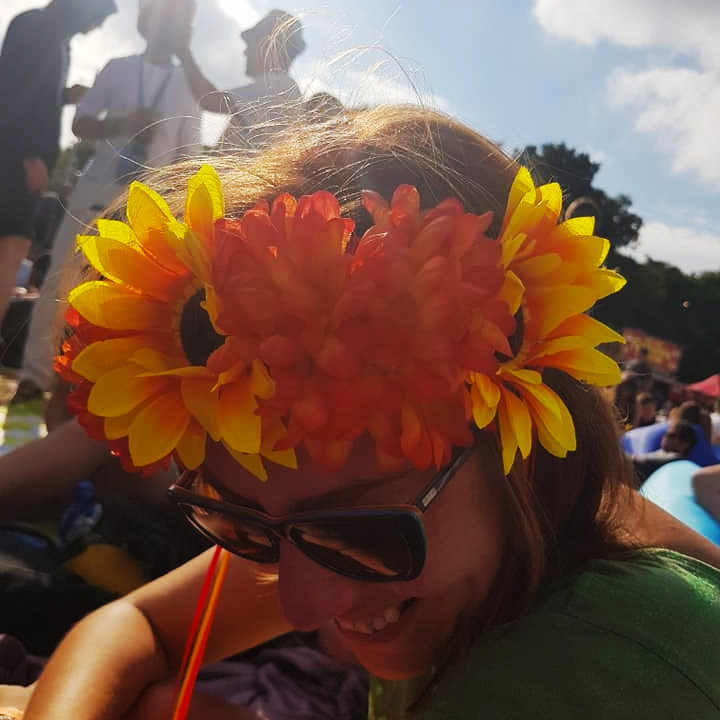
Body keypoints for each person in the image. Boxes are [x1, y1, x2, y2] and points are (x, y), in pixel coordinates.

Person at [5, 106, 720, 720]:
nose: (302, 601)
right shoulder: (474, 534)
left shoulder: (586, 668)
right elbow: (136, 624)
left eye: (366, 534)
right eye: (238, 523)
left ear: (523, 442)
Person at [10, 0, 201, 405]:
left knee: (126, 301)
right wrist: (122, 125)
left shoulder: (188, 88)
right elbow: (81, 123)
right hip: (95, 191)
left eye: (184, 21)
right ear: (147, 22)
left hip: (148, 206)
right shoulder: (118, 67)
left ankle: (92, 394)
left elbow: (187, 158)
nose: (173, 27)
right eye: (169, 17)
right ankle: (33, 379)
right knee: (60, 281)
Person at [0, 0, 117, 343]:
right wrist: (28, 154)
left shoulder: (49, 34)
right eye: (97, 17)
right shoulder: (40, 27)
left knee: (13, 246)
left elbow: (31, 92)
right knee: (12, 246)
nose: (95, 28)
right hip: (15, 159)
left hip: (18, 155)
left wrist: (65, 95)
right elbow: (10, 90)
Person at [178, 9, 305, 149]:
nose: (245, 52)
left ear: (267, 45)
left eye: (250, 44)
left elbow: (209, 101)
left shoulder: (278, 86)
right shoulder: (280, 89)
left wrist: (184, 53)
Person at [631, 419, 697, 486]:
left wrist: (627, 459)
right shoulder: (659, 453)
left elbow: (644, 461)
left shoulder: (677, 460)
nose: (664, 436)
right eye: (666, 433)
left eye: (671, 435)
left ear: (685, 444)